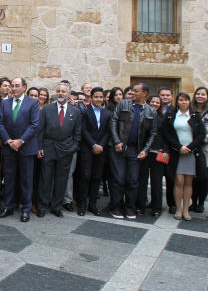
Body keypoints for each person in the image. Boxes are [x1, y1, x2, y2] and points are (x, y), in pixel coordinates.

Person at [108, 83, 157, 220]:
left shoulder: (150, 111)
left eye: (136, 91)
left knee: (133, 181)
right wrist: (117, 141)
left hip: (135, 151)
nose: (133, 93)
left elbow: (152, 133)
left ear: (144, 93)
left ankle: (129, 207)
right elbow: (113, 122)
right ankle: (115, 207)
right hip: (118, 149)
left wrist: (146, 150)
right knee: (118, 179)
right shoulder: (123, 104)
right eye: (133, 91)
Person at [0, 77, 40, 222]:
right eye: (12, 86)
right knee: (9, 178)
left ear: (24, 87)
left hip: (26, 147)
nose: (13, 88)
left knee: (26, 179)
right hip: (9, 148)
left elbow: (34, 125)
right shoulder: (5, 103)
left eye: (16, 86)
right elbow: (0, 123)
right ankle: (8, 206)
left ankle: (26, 209)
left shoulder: (32, 103)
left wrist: (20, 141)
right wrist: (8, 140)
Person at [37, 82, 81, 218]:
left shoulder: (76, 112)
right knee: (45, 179)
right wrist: (40, 147)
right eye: (59, 91)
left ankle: (56, 206)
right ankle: (42, 206)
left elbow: (77, 134)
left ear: (68, 94)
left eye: (63, 91)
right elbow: (40, 130)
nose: (61, 93)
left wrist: (73, 148)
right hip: (48, 148)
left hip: (66, 150)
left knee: (61, 179)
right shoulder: (47, 109)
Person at [163, 92, 207, 221]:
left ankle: (186, 210)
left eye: (186, 100)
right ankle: (178, 209)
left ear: (189, 102)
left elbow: (201, 134)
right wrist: (179, 147)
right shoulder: (171, 116)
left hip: (191, 153)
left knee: (189, 182)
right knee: (178, 181)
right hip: (177, 153)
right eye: (181, 100)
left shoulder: (195, 116)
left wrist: (190, 147)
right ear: (177, 102)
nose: (184, 102)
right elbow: (167, 134)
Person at [76, 87, 111, 216]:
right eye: (96, 97)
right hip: (87, 148)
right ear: (91, 98)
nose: (99, 99)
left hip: (101, 149)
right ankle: (82, 203)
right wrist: (93, 144)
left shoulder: (107, 114)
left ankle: (92, 204)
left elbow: (108, 131)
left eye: (101, 97)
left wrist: (100, 145)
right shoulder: (85, 112)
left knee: (97, 177)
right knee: (85, 176)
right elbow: (83, 130)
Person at [144, 95, 171, 217]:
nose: (155, 104)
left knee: (156, 180)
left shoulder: (163, 118)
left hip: (158, 152)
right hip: (144, 152)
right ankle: (142, 204)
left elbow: (166, 136)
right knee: (142, 179)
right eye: (152, 102)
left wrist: (166, 150)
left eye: (157, 103)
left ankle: (157, 207)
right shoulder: (142, 115)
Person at [190, 86, 208, 212]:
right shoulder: (190, 109)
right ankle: (193, 202)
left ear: (207, 97)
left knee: (204, 177)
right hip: (192, 147)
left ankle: (201, 203)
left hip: (205, 148)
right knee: (193, 177)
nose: (200, 96)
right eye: (198, 94)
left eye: (203, 94)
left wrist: (207, 137)